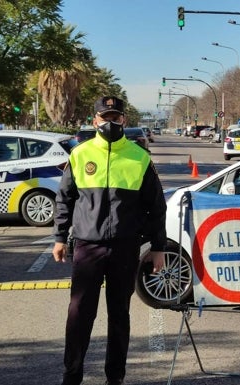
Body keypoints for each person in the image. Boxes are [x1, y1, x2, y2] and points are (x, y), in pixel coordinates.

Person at [52, 96, 167, 385]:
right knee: (79, 312)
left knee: (119, 315)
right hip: (87, 246)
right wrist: (59, 238)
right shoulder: (79, 154)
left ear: (124, 120)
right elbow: (64, 199)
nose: (111, 123)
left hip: (125, 247)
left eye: (116, 118)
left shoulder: (139, 157)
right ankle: (71, 375)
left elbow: (156, 207)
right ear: (94, 121)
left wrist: (158, 247)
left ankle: (114, 378)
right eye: (105, 118)